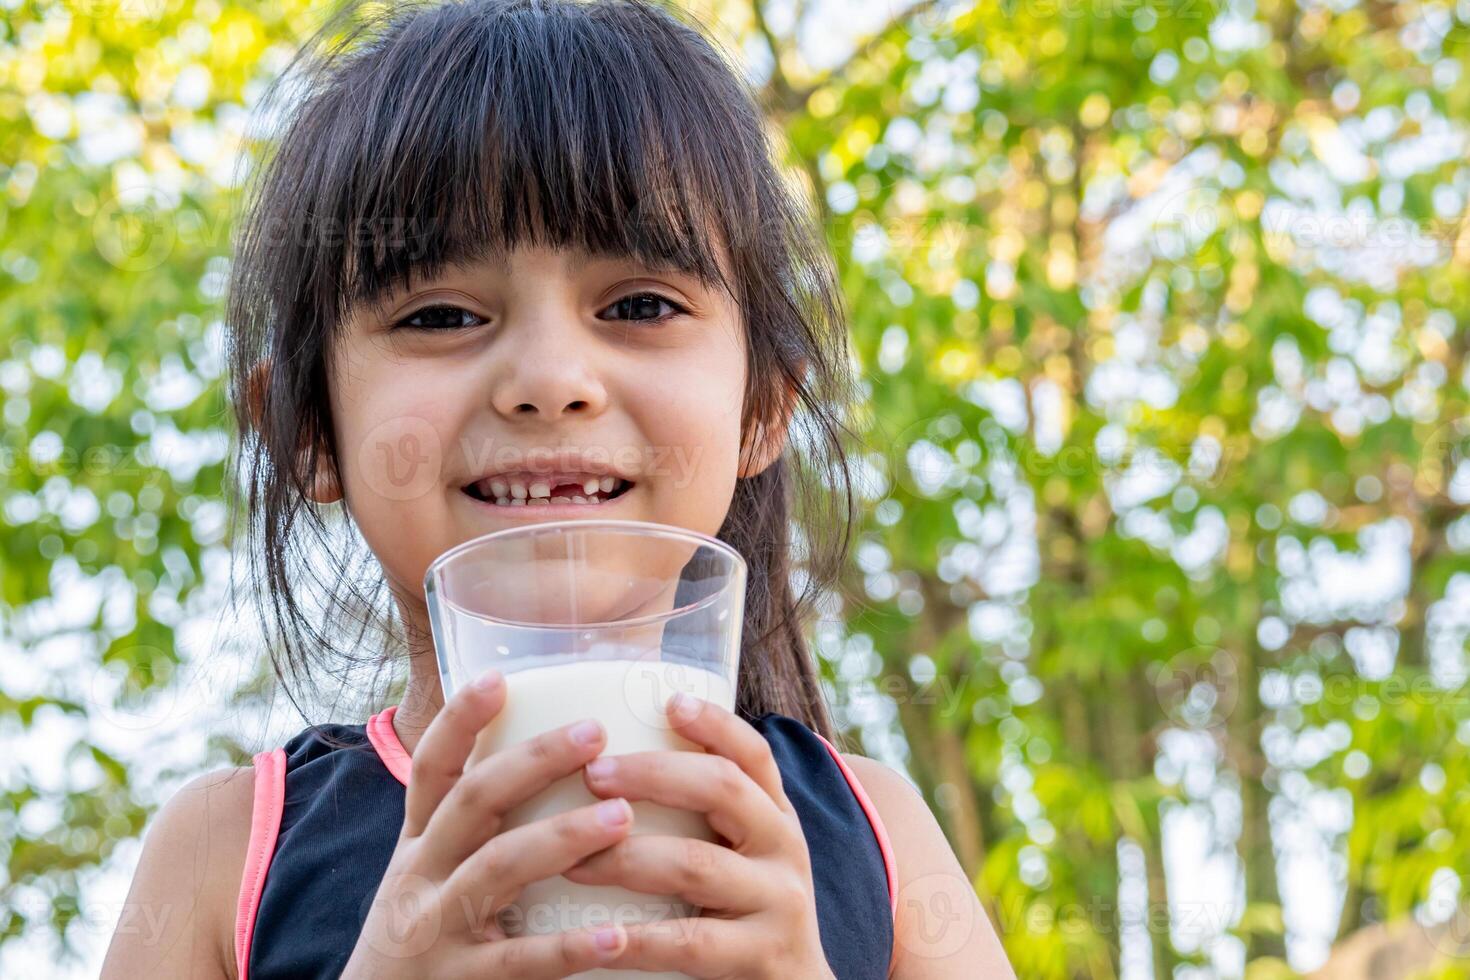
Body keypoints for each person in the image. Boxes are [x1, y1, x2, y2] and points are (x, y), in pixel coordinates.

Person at [101, 0, 1016, 977]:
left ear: (762, 408)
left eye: (639, 304)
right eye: (442, 313)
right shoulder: (227, 848)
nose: (548, 379)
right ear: (311, 428)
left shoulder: (875, 826)